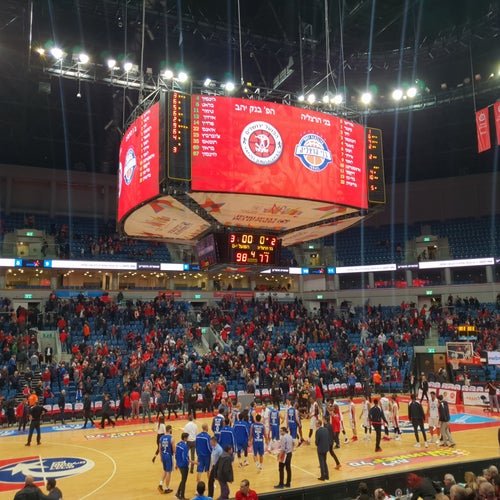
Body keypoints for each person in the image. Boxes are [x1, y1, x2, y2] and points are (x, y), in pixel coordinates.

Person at [158, 424, 175, 494]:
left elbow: (159, 448)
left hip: (163, 455)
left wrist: (161, 457)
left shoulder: (161, 438)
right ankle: (167, 488)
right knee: (169, 472)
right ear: (170, 430)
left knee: (165, 470)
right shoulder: (171, 438)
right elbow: (174, 450)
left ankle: (160, 484)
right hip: (168, 456)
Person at [175, 432, 191, 500]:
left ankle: (178, 493)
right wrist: (191, 462)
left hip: (179, 464)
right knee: (184, 481)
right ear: (185, 438)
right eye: (187, 437)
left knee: (183, 480)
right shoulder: (185, 446)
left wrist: (176, 463)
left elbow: (176, 455)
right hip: (184, 465)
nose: (188, 439)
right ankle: (182, 496)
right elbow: (185, 457)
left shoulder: (178, 444)